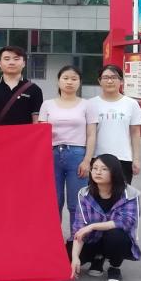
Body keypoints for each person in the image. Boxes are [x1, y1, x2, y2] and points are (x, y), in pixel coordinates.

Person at [69, 153, 141, 281]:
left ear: (114, 172)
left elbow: (126, 222)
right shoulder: (84, 194)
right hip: (92, 240)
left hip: (117, 239)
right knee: (66, 256)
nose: (98, 172)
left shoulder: (130, 194)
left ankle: (114, 267)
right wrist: (74, 258)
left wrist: (92, 226)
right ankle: (98, 258)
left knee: (116, 234)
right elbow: (79, 229)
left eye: (104, 169)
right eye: (95, 168)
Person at [38, 65, 88, 226]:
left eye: (74, 79)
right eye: (65, 78)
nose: (69, 82)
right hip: (52, 154)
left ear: (79, 82)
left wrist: (87, 160)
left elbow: (92, 134)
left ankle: (76, 237)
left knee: (76, 202)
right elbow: (41, 133)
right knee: (54, 201)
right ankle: (54, 238)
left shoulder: (86, 105)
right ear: (58, 81)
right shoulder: (47, 105)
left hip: (77, 155)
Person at [84, 64, 141, 184]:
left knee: (120, 194)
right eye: (106, 77)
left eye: (114, 77)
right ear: (99, 81)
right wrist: (87, 159)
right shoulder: (91, 104)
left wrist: (136, 159)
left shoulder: (131, 104)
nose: (110, 81)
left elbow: (135, 133)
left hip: (123, 159)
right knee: (97, 194)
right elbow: (88, 133)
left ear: (121, 81)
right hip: (97, 159)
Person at [0, 46, 43, 126]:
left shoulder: (34, 89)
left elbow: (36, 121)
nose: (11, 62)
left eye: (16, 59)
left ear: (24, 63)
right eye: (7, 59)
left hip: (25, 134)